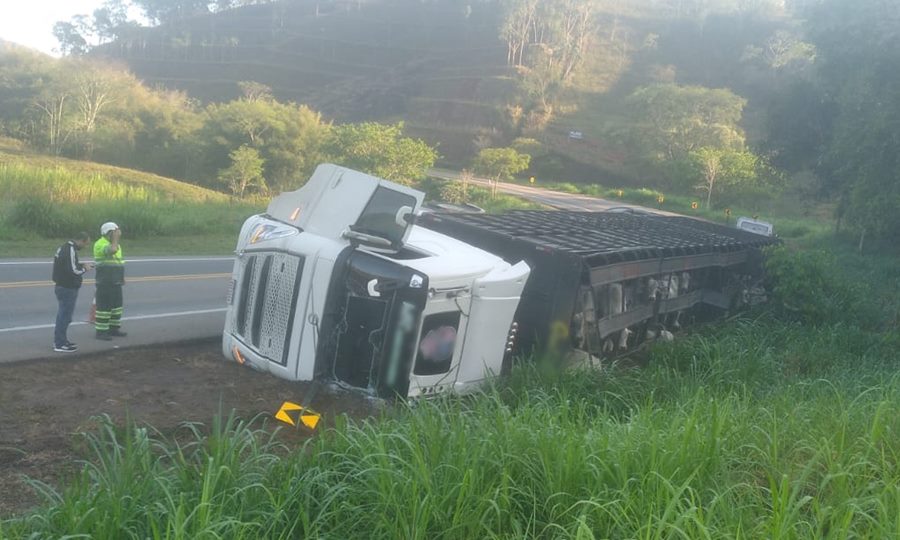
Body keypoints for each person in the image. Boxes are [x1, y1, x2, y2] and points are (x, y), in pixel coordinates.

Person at [52, 232, 94, 352]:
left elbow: (68, 265)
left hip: (62, 286)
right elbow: (73, 271)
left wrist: (82, 264)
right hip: (67, 287)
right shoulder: (70, 249)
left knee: (64, 315)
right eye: (85, 243)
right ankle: (59, 343)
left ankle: (62, 340)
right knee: (65, 316)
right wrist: (84, 269)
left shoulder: (64, 247)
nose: (85, 246)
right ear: (80, 240)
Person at [93, 222, 127, 341]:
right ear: (110, 232)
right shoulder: (100, 244)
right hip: (105, 282)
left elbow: (119, 262)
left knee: (117, 307)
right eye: (116, 231)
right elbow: (112, 250)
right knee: (104, 308)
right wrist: (115, 239)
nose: (119, 233)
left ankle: (114, 329)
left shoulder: (117, 245)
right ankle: (101, 332)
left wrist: (122, 277)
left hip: (116, 281)